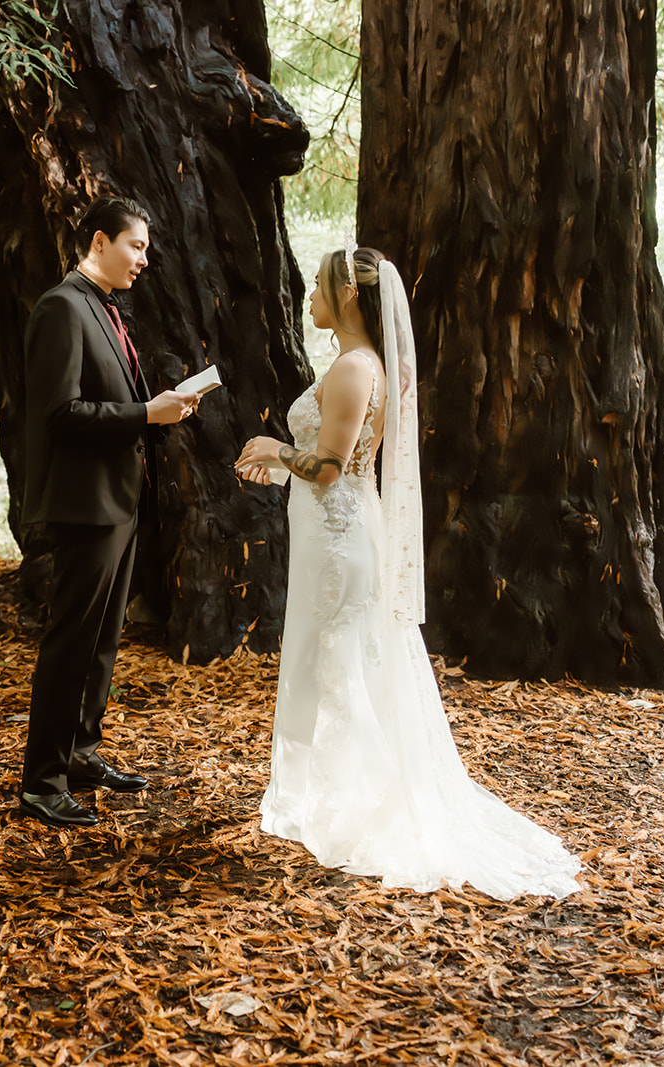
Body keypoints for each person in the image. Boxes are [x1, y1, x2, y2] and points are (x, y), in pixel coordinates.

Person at [236, 246, 582, 898]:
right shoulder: (358, 365)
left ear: (345, 298)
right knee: (340, 663)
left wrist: (273, 448)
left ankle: (367, 807)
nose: (308, 296)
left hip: (340, 542)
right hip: (334, 533)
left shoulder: (352, 369)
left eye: (317, 288)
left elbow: (331, 467)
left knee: (341, 667)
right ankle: (339, 797)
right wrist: (283, 464)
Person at [18, 196, 202, 829]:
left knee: (102, 641)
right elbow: (59, 416)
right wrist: (145, 414)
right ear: (100, 241)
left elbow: (109, 404)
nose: (144, 260)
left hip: (120, 502)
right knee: (71, 640)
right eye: (136, 246)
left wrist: (159, 408)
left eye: (146, 248)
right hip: (84, 504)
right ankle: (41, 781)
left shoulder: (104, 308)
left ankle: (81, 754)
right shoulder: (62, 307)